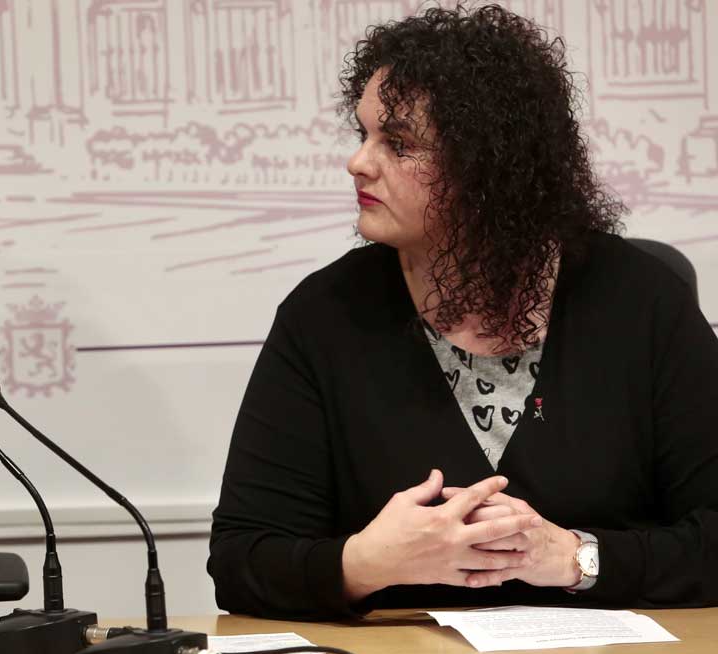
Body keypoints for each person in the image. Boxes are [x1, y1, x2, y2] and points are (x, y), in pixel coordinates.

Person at [208, 5, 718, 620]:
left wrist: (576, 558)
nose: (359, 162)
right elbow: (241, 560)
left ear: (487, 166)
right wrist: (366, 563)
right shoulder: (323, 317)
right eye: (363, 133)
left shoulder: (641, 302)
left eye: (397, 143)